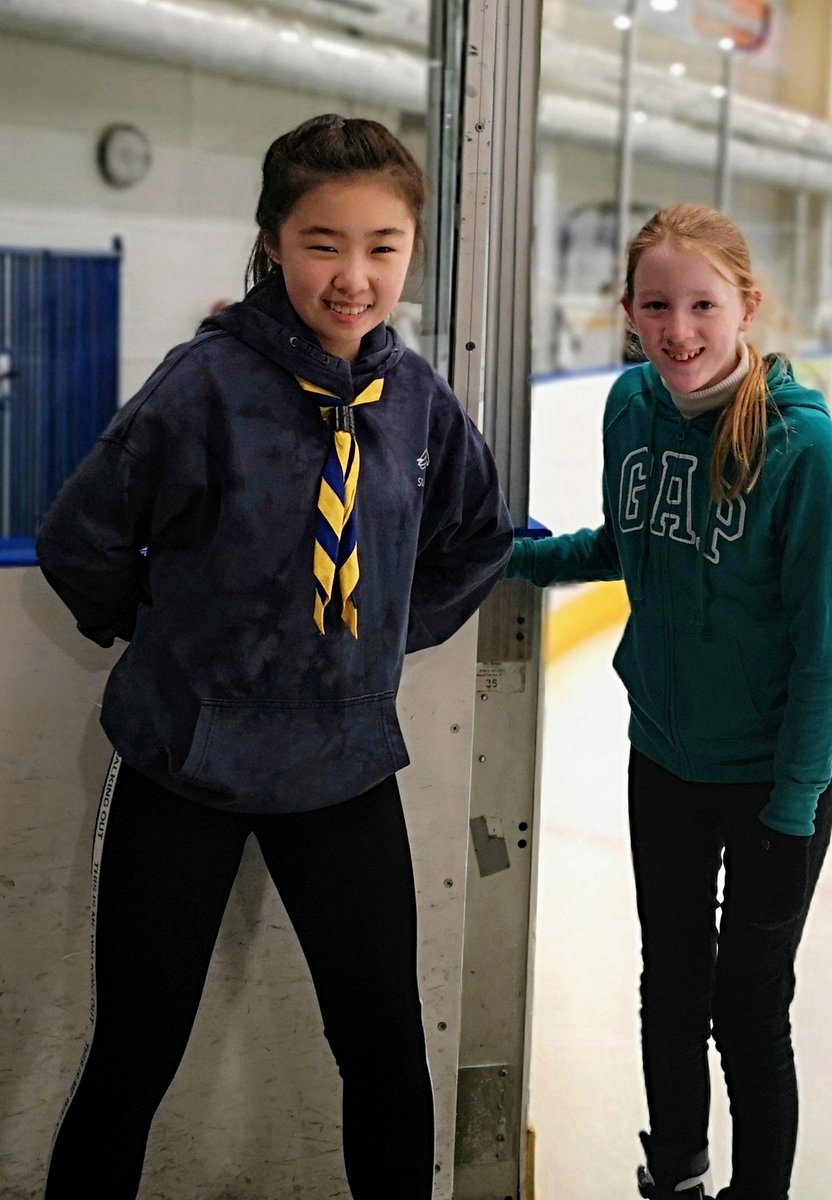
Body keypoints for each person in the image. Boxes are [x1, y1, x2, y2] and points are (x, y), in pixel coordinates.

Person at [37, 114, 513, 1200]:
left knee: (387, 1049)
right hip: (186, 769)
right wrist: (167, 638)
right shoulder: (202, 383)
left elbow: (476, 537)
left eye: (381, 246)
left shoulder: (418, 401)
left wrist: (384, 637)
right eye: (321, 242)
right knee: (136, 1053)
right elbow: (82, 539)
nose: (352, 276)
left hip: (341, 767)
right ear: (271, 243)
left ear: (410, 254)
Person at [506, 204, 832, 1199]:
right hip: (660, 759)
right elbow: (631, 547)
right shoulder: (631, 405)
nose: (677, 329)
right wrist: (520, 559)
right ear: (626, 311)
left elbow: (827, 648)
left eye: (700, 305)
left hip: (767, 787)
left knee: (745, 1009)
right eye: (655, 306)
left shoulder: (799, 450)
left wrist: (788, 809)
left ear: (744, 306)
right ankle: (673, 1172)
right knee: (668, 985)